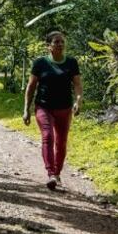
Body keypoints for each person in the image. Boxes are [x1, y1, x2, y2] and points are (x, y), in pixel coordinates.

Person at [22, 31, 83, 190]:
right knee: (48, 136)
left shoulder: (71, 62)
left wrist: (78, 100)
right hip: (44, 106)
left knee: (61, 142)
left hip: (64, 108)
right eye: (56, 42)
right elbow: (31, 87)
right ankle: (50, 174)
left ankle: (57, 173)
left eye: (62, 41)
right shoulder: (40, 63)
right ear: (48, 46)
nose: (60, 44)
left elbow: (77, 84)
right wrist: (26, 109)